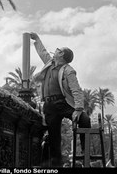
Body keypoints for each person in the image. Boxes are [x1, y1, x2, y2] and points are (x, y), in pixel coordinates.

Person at [30, 32, 91, 167]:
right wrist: (37, 39)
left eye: (58, 50)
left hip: (63, 103)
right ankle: (56, 166)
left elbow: (76, 90)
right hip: (49, 105)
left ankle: (85, 153)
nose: (55, 50)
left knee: (85, 119)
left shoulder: (69, 70)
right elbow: (43, 52)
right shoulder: (49, 63)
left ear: (62, 55)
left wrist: (79, 109)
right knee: (54, 137)